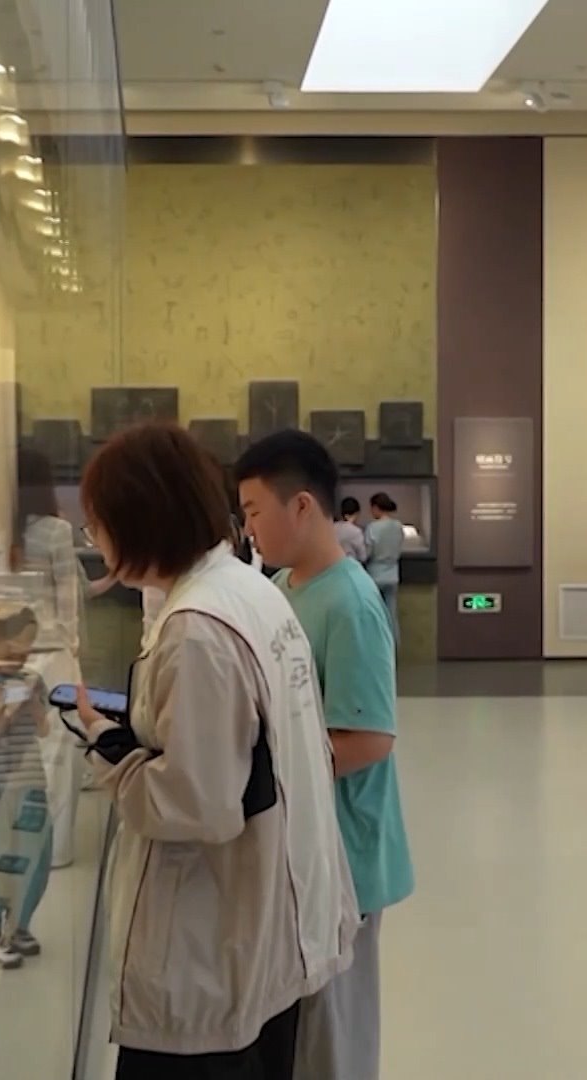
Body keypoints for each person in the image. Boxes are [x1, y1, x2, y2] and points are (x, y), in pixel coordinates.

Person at [67, 423, 358, 1078]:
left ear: (138, 519)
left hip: (207, 958)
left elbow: (198, 804)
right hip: (267, 929)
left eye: (98, 525)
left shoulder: (196, 628)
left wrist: (106, 748)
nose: (97, 541)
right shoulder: (248, 590)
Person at [235, 431, 414, 1080]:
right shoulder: (282, 586)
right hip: (300, 847)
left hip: (345, 858)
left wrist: (266, 769)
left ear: (302, 506)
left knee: (334, 1038)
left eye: (255, 511)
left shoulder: (352, 604)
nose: (249, 528)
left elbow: (369, 739)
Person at [1, 449, 85, 875]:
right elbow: (67, 592)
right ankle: (58, 848)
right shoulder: (56, 530)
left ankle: (25, 844)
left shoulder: (3, 530)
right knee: (59, 750)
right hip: (53, 652)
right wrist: (72, 640)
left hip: (13, 654)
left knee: (22, 754)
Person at [365, 493, 404, 648]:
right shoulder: (398, 526)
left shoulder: (372, 527)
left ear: (376, 507)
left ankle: (377, 648)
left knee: (375, 615)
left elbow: (367, 552)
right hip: (393, 575)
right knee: (391, 615)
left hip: (375, 575)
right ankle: (393, 648)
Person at [336, 496, 370, 564]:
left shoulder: (333, 527)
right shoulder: (356, 531)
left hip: (335, 565)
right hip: (350, 566)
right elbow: (363, 557)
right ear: (357, 513)